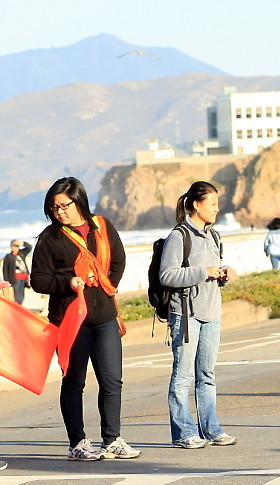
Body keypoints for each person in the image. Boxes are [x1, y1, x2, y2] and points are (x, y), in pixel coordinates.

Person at [30, 177, 141, 461]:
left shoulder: (101, 226)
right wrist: (69, 282)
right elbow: (38, 280)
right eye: (53, 208)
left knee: (112, 380)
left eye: (63, 205)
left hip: (104, 316)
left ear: (78, 200)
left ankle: (112, 440)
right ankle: (77, 443)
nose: (59, 212)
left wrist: (106, 286)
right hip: (70, 320)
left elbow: (119, 260)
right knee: (74, 381)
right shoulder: (50, 237)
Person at [160, 180, 237, 449]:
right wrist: (204, 272)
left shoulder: (214, 236)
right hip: (185, 314)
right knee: (183, 376)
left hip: (211, 312)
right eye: (213, 204)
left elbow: (213, 273)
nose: (217, 209)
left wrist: (223, 274)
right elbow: (167, 275)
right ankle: (183, 433)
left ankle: (211, 429)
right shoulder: (179, 236)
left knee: (207, 374)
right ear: (196, 204)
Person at [3, 239, 32, 305]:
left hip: (24, 278)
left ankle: (20, 306)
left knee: (21, 294)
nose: (16, 247)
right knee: (16, 295)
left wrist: (22, 243)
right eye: (14, 245)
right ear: (11, 246)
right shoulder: (8, 256)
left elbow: (29, 247)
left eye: (17, 246)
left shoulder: (22, 253)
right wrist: (6, 281)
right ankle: (17, 307)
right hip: (15, 278)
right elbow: (5, 269)